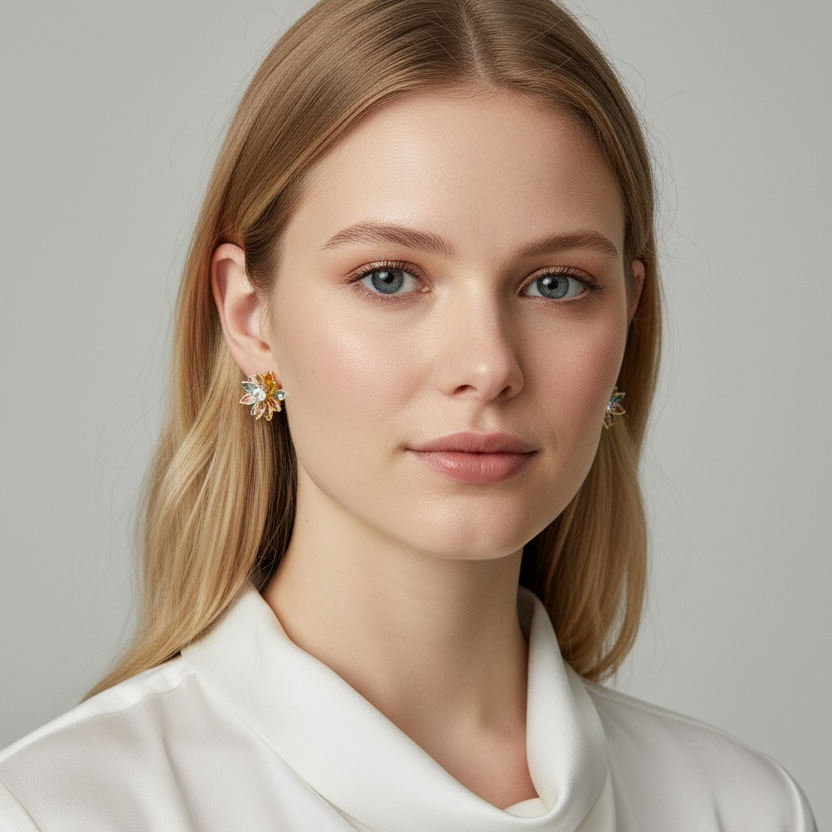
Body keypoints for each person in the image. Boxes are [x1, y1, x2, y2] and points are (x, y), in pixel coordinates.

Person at [0, 0, 818, 829]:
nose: (488, 366)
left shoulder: (742, 808)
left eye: (556, 283)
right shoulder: (59, 810)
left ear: (628, 319)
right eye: (390, 277)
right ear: (251, 316)